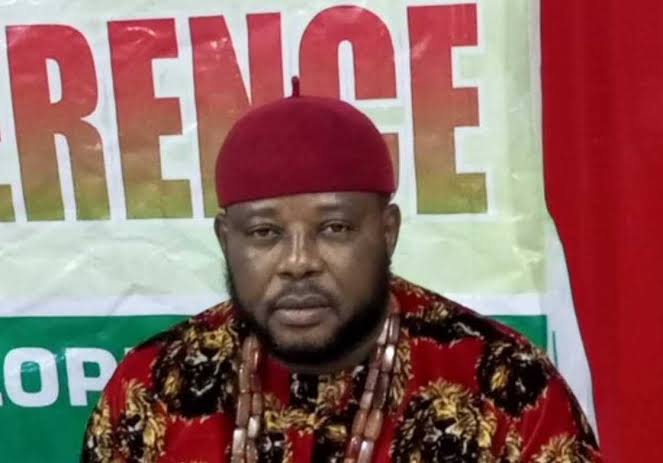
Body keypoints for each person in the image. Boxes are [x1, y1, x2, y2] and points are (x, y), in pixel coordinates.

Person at [81, 78, 601, 463]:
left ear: (387, 232)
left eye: (334, 228)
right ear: (225, 239)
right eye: (265, 233)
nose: (298, 262)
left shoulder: (508, 389)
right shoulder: (149, 388)